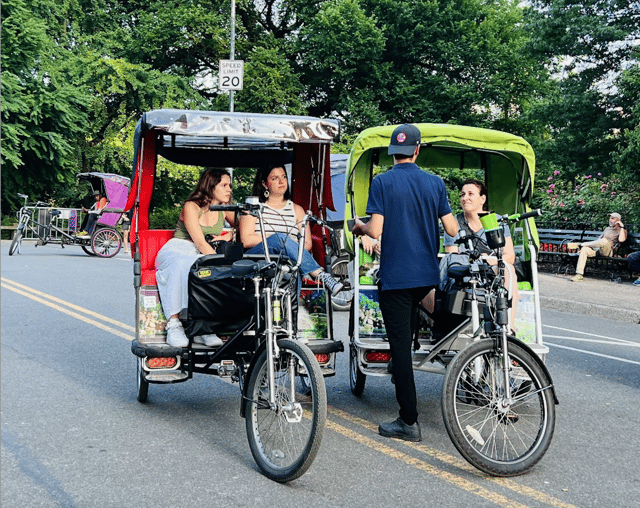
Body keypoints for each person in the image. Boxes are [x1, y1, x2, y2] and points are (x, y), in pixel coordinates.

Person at [352, 124, 458, 442]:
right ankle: (407, 389)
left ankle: (408, 420)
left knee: (399, 348)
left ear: (392, 152)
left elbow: (375, 231)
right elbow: (452, 229)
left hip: (396, 278)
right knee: (411, 337)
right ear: (417, 150)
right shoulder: (435, 183)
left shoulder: (382, 182)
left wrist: (358, 226)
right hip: (427, 278)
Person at [155, 168, 235, 347]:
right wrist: (217, 262)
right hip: (180, 247)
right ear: (211, 186)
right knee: (187, 264)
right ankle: (174, 323)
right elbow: (199, 241)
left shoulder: (224, 207)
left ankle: (202, 327)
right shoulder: (192, 205)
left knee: (206, 268)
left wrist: (227, 236)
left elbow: (243, 227)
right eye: (224, 185)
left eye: (229, 185)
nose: (229, 189)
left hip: (200, 252)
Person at [238, 164, 343, 296]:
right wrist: (281, 239)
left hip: (288, 261)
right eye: (275, 178)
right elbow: (247, 240)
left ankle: (292, 312)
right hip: (259, 257)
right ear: (265, 184)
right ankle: (319, 274)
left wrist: (287, 244)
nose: (281, 182)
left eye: (284, 177)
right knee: (279, 239)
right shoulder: (253, 207)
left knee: (292, 262)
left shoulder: (297, 209)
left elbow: (307, 244)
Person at [432, 179, 520, 329]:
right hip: (465, 270)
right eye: (462, 194)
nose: (465, 198)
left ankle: (508, 327)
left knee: (509, 270)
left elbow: (509, 256)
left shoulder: (494, 221)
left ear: (482, 199)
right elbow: (452, 257)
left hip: (490, 269)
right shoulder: (454, 223)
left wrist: (488, 261)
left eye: (470, 194)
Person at [571, 212, 627, 282]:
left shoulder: (622, 230)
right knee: (585, 249)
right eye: (610, 218)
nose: (610, 220)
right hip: (599, 250)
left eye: (612, 218)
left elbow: (621, 240)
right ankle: (579, 275)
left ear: (618, 220)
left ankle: (583, 244)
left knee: (604, 240)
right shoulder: (607, 229)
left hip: (608, 251)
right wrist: (586, 248)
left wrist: (621, 227)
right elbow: (598, 241)